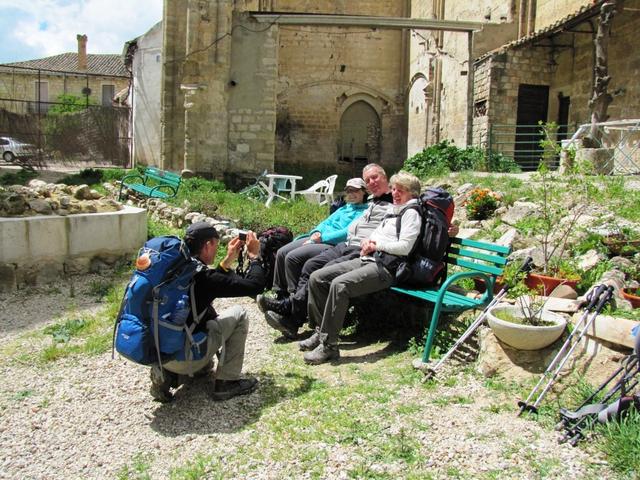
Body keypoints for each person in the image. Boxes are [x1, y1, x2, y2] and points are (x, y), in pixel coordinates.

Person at [257, 163, 393, 338]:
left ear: (385, 178)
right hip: (345, 245)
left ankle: (293, 315)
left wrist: (324, 238)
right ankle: (289, 305)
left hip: (359, 249)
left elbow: (380, 230)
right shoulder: (370, 202)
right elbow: (335, 224)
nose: (372, 182)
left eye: (375, 178)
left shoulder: (389, 203)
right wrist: (316, 232)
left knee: (316, 271)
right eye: (368, 180)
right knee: (309, 265)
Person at [302, 171, 423, 364]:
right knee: (318, 277)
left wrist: (376, 246)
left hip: (388, 268)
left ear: (413, 193)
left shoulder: (412, 214)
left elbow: (405, 247)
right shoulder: (395, 210)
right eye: (393, 189)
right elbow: (378, 233)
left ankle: (329, 346)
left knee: (340, 285)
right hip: (371, 258)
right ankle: (320, 331)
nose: (395, 193)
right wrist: (369, 242)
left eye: (401, 190)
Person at [149, 222, 266, 402]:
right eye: (215, 245)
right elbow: (255, 286)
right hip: (185, 355)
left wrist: (227, 261)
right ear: (208, 245)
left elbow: (209, 288)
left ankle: (169, 375)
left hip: (158, 351)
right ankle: (227, 382)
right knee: (240, 313)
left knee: (202, 323)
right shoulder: (204, 278)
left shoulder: (177, 269)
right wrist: (254, 256)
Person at [257, 178, 368, 321]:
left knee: (293, 257)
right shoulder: (343, 208)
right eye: (348, 190)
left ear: (364, 192)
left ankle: (292, 302)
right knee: (282, 252)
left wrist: (322, 238)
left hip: (332, 243)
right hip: (318, 238)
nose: (351, 193)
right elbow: (325, 222)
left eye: (355, 190)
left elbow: (347, 233)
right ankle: (281, 294)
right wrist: (316, 232)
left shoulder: (364, 211)